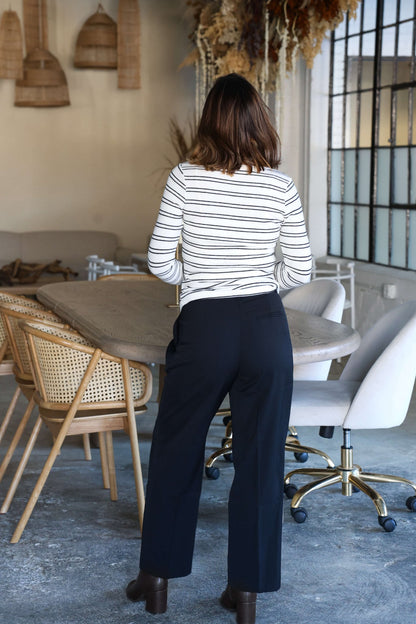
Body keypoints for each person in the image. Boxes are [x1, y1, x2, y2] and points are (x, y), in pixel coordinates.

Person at [126, 73, 312, 624]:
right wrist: (255, 276)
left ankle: (156, 580)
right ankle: (246, 594)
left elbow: (160, 262)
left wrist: (202, 274)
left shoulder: (185, 179)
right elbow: (299, 268)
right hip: (264, 325)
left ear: (210, 120)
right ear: (260, 121)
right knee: (260, 460)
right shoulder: (281, 187)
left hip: (204, 324)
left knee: (176, 450)